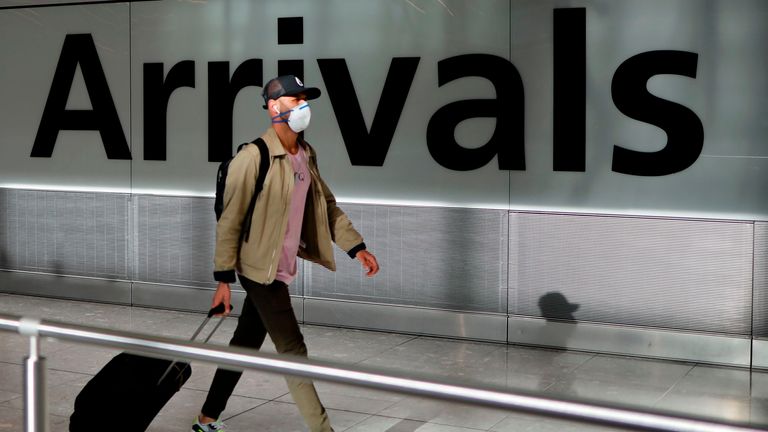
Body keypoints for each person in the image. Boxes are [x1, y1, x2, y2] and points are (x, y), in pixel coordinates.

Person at [192, 75, 380, 432]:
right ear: (273, 107)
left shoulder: (305, 154)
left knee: (246, 341)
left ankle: (206, 419)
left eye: (304, 100)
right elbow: (229, 222)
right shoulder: (253, 157)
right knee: (294, 352)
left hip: (280, 265)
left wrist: (357, 247)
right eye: (294, 101)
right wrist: (223, 281)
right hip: (258, 269)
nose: (302, 107)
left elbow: (325, 206)